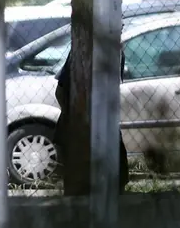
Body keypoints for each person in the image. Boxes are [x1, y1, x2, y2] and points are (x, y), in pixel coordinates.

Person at [55, 49, 130, 190]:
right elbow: (60, 91)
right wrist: (76, 119)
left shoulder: (117, 51)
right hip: (79, 129)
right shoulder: (83, 50)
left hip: (103, 127)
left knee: (118, 178)